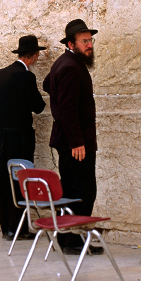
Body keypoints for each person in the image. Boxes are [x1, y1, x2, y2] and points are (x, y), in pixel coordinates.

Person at [0, 35, 46, 241]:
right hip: (20, 137)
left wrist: (0, 110)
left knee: (2, 181)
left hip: (0, 136)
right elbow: (39, 106)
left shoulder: (0, 74)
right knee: (19, 180)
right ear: (34, 56)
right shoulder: (26, 77)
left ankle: (7, 228)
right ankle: (19, 229)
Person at [42, 19, 101, 255]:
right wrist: (77, 141)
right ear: (71, 43)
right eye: (84, 41)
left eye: (90, 40)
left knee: (72, 190)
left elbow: (48, 83)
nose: (89, 45)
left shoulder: (66, 63)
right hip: (75, 143)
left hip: (71, 140)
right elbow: (67, 109)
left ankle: (66, 237)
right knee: (81, 191)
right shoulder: (69, 67)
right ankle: (73, 241)